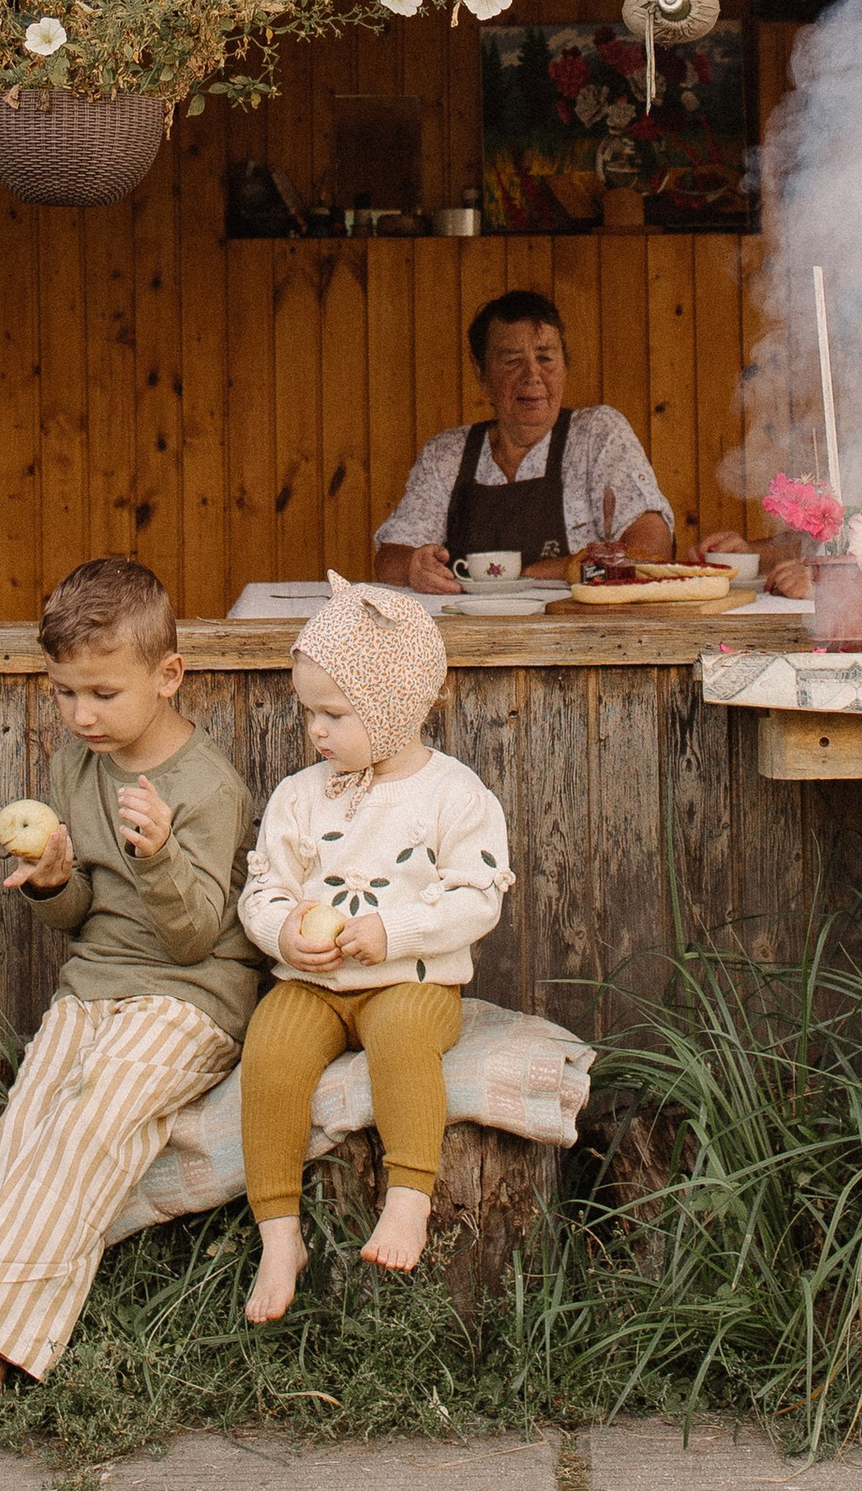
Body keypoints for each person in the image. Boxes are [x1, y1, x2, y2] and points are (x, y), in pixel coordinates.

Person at [0, 555, 258, 1443]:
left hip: (190, 1001)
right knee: (25, 1133)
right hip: (94, 990)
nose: (81, 714)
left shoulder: (206, 787)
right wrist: (53, 880)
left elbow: (197, 935)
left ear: (168, 676)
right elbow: (86, 913)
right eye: (63, 694)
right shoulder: (80, 764)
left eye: (102, 693)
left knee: (89, 1131)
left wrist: (160, 854)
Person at [235, 573, 513, 1321]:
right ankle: (279, 1232)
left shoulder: (453, 795)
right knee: (268, 1054)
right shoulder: (300, 795)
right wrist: (283, 931)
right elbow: (262, 886)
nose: (317, 731)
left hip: (412, 982)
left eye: (335, 713)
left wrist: (395, 932)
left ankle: (409, 1197)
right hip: (314, 984)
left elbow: (476, 894)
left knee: (401, 1045)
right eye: (308, 713)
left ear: (395, 707)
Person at [370, 287, 673, 593]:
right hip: (469, 633)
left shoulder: (597, 434)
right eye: (513, 361)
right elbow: (389, 558)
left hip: (579, 632)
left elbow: (651, 551)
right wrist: (414, 568)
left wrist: (527, 575)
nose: (532, 375)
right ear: (481, 373)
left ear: (565, 365)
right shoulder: (446, 454)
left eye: (545, 358)